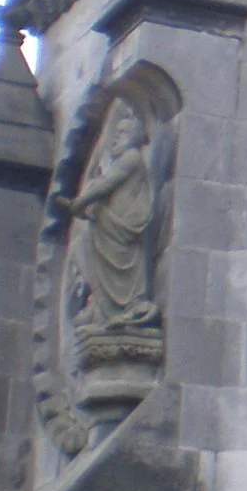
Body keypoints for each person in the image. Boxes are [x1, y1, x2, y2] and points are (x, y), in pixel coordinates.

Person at [57, 102, 159, 332]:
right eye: (116, 133)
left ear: (133, 137)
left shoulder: (131, 157)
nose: (115, 138)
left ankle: (120, 308)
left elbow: (108, 183)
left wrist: (81, 202)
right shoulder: (127, 158)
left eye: (122, 133)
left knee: (102, 244)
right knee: (90, 242)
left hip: (122, 226)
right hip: (114, 223)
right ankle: (106, 308)